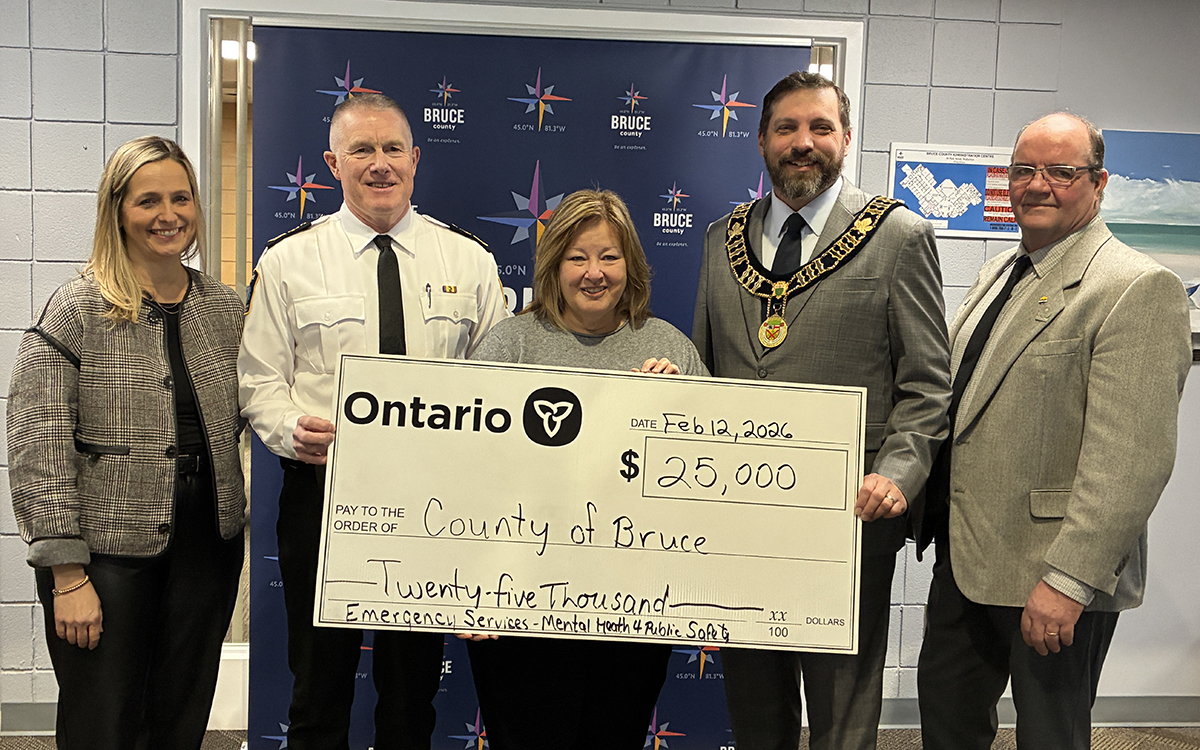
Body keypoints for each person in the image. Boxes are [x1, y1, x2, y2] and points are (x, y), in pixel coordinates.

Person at [239, 92, 508, 750]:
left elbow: (499, 380)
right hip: (324, 495)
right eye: (362, 150)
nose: (379, 164)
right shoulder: (286, 262)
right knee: (319, 684)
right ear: (334, 162)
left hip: (432, 502)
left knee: (412, 689)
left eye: (392, 149)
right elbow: (258, 378)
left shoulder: (467, 261)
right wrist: (289, 429)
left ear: (415, 159)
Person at [692, 71, 951, 750]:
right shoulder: (723, 238)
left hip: (850, 516)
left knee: (842, 706)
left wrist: (898, 472)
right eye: (787, 128)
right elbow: (704, 370)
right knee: (753, 701)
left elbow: (927, 384)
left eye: (819, 127)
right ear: (761, 142)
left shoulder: (897, 235)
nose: (802, 143)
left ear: (845, 137)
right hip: (741, 516)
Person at [916, 113, 1192, 749]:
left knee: (1051, 738)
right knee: (947, 729)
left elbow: (1132, 460)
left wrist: (1067, 582)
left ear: (1098, 184)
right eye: (1023, 170)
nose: (1037, 185)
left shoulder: (1136, 287)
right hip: (966, 560)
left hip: (1054, 575)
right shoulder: (998, 275)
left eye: (1061, 172)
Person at [6, 136, 246, 750]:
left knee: (181, 713)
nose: (168, 214)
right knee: (103, 721)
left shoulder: (225, 309)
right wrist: (66, 574)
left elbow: (263, 404)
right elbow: (39, 446)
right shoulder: (78, 307)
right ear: (117, 211)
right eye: (147, 201)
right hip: (105, 554)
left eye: (180, 197)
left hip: (207, 541)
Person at [463, 188, 706, 750]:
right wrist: (469, 586)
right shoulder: (510, 344)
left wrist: (674, 414)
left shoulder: (670, 347)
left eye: (609, 257)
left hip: (631, 606)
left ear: (632, 266)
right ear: (553, 266)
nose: (594, 273)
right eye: (577, 257)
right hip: (516, 602)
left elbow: (701, 486)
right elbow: (469, 475)